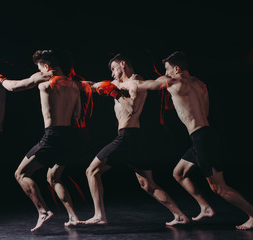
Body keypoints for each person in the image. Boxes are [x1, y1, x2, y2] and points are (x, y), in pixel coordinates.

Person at [140, 51, 253, 230]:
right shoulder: (200, 84)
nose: (166, 73)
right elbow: (205, 112)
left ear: (176, 68)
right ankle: (205, 207)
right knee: (179, 173)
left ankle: (252, 214)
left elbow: (149, 85)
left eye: (168, 69)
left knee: (219, 188)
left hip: (201, 138)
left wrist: (127, 83)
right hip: (205, 134)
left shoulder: (173, 81)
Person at [80, 54, 189, 226]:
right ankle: (180, 216)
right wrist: (67, 82)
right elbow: (93, 86)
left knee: (91, 171)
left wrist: (114, 93)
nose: (112, 74)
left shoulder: (135, 81)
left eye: (114, 69)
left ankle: (100, 216)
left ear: (123, 64)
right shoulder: (117, 84)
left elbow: (131, 107)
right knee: (148, 185)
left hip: (127, 136)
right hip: (134, 138)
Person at [11, 50, 82, 232]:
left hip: (52, 136)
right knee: (53, 177)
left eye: (39, 67)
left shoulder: (44, 78)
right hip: (70, 137)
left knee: (21, 174)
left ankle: (43, 211)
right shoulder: (73, 85)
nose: (39, 71)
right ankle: (73, 217)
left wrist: (0, 81)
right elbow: (77, 114)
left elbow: (17, 86)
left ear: (46, 66)